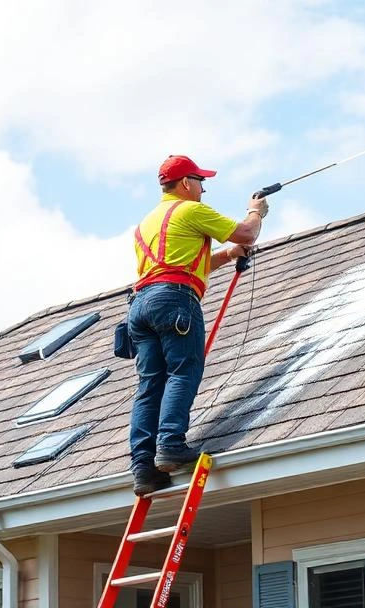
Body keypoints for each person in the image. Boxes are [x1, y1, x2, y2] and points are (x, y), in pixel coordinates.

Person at [128, 154, 268, 495]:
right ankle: (171, 444)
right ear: (187, 184)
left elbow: (183, 265)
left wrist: (229, 254)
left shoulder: (147, 223)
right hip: (175, 301)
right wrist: (255, 212)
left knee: (150, 384)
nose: (203, 189)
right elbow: (247, 233)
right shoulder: (191, 210)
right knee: (183, 371)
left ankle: (143, 467)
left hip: (141, 306)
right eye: (201, 182)